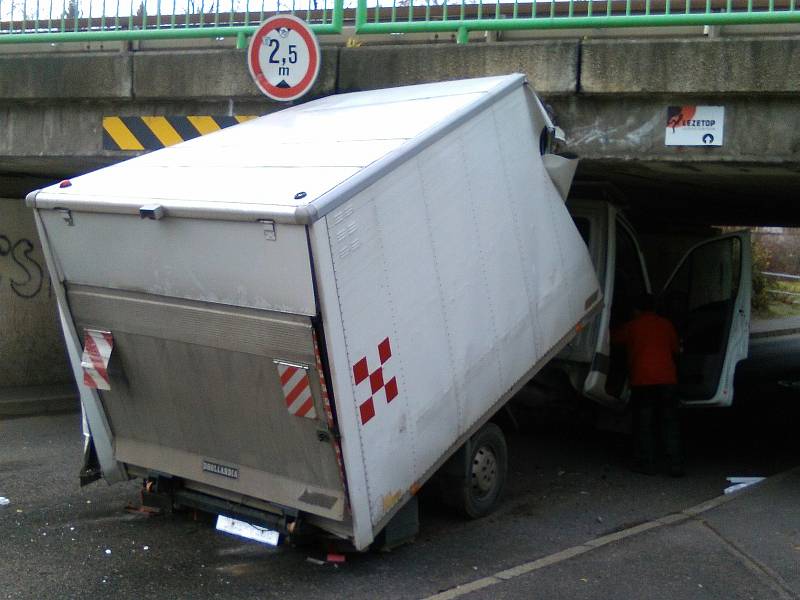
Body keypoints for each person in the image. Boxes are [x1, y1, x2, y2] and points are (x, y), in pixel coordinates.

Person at [612, 293, 684, 477]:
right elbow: (676, 349)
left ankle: (646, 464)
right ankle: (674, 464)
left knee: (644, 423)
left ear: (636, 309)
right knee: (669, 422)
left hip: (642, 380)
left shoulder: (632, 326)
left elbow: (612, 339)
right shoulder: (666, 324)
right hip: (667, 379)